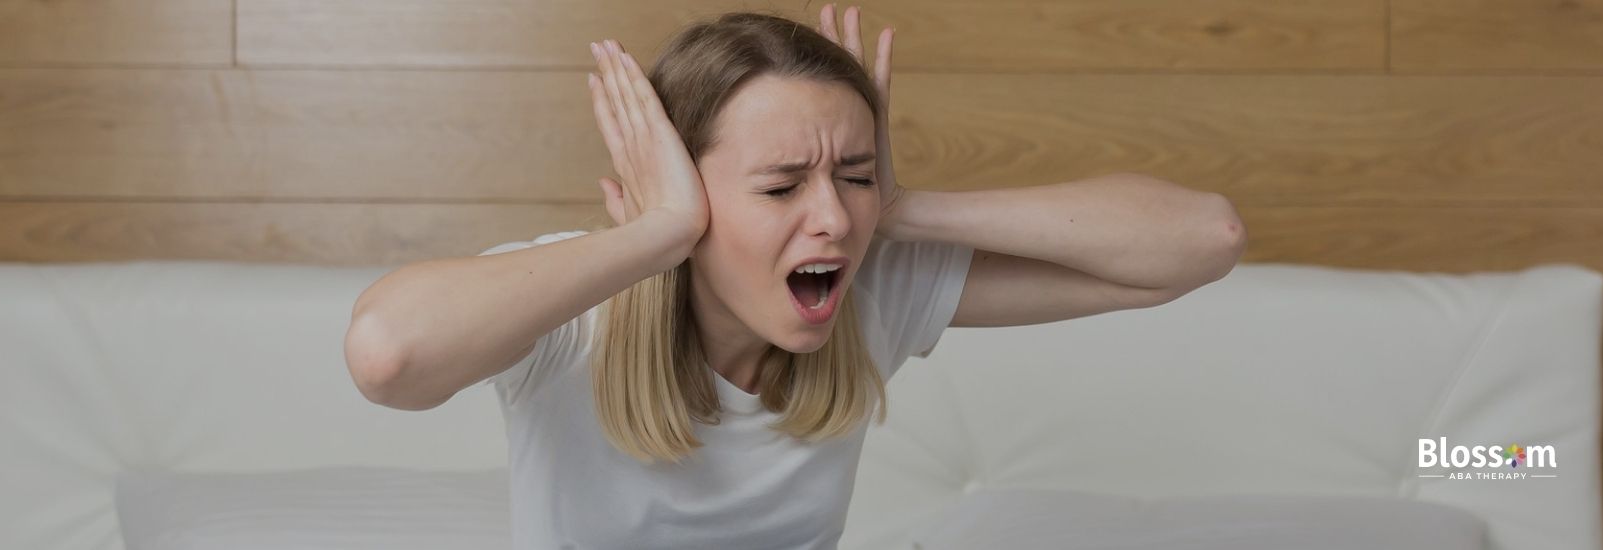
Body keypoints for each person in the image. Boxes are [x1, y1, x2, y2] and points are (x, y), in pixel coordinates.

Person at [343, 4, 1248, 548]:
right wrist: (660, 233)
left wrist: (901, 207)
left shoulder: (869, 289)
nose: (833, 217)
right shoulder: (577, 313)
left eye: (853, 174)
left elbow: (1201, 239)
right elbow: (387, 355)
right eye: (781, 185)